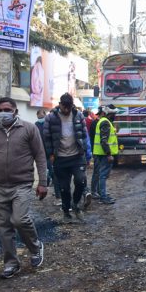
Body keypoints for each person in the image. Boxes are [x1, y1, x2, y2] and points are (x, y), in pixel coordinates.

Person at [0, 97, 47, 278]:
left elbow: (40, 156)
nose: (2, 113)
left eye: (6, 109)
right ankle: (11, 263)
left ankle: (36, 247)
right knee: (3, 226)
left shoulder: (29, 129)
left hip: (22, 184)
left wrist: (43, 182)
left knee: (19, 219)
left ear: (15, 111)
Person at [43, 93, 92, 222]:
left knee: (81, 181)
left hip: (77, 156)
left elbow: (84, 135)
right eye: (64, 107)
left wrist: (87, 154)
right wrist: (50, 155)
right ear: (60, 105)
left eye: (68, 108)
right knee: (64, 188)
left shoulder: (78, 115)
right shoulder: (51, 118)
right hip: (60, 158)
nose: (66, 110)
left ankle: (76, 204)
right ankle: (66, 211)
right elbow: (46, 138)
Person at [92, 105, 119, 205]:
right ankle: (103, 197)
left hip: (101, 153)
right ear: (108, 113)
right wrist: (108, 154)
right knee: (103, 175)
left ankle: (102, 194)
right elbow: (104, 140)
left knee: (101, 175)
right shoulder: (105, 123)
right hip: (104, 154)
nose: (114, 116)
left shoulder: (103, 121)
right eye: (113, 114)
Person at [35, 109, 61, 203]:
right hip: (40, 154)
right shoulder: (36, 125)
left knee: (54, 173)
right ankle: (42, 191)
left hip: (50, 154)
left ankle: (58, 196)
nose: (40, 119)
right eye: (39, 118)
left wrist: (53, 153)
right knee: (44, 173)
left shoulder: (50, 124)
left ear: (45, 115)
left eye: (41, 117)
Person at [88, 107, 104, 198]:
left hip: (100, 151)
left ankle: (99, 191)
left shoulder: (99, 122)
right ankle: (94, 191)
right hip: (97, 151)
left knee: (100, 172)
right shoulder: (96, 123)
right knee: (97, 172)